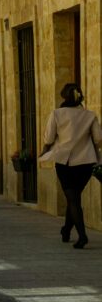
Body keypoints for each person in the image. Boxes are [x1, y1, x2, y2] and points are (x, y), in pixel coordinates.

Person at [39, 82, 102, 249]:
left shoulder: (57, 114)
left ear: (64, 97)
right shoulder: (90, 115)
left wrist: (43, 151)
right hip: (85, 163)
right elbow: (98, 139)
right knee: (73, 198)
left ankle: (82, 236)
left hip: (64, 162)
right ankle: (66, 230)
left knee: (72, 198)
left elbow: (49, 139)